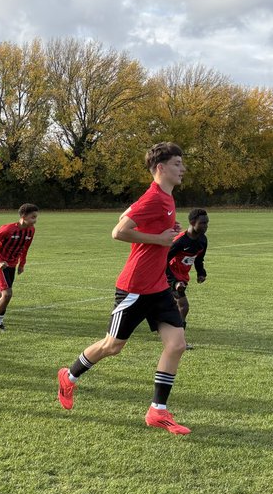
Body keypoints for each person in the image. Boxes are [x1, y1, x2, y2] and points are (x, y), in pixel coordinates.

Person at [56, 141, 191, 434]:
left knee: (177, 343)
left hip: (157, 286)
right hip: (134, 287)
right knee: (112, 346)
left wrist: (161, 231)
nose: (183, 169)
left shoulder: (166, 198)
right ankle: (69, 376)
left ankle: (158, 411)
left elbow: (126, 215)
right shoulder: (154, 198)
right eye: (177, 164)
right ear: (161, 168)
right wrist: (159, 239)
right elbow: (118, 231)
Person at [166, 208, 209, 350]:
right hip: (170, 276)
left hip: (182, 278)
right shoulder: (179, 241)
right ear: (192, 222)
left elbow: (199, 259)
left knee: (165, 306)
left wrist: (201, 273)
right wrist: (174, 281)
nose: (205, 226)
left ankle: (172, 336)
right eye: (202, 223)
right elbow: (163, 261)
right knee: (183, 306)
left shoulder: (203, 240)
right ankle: (179, 341)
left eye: (207, 223)